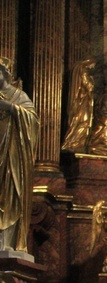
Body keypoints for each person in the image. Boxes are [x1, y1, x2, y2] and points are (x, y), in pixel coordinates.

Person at [0, 56, 40, 253]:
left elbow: (33, 121)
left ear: (6, 75)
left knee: (10, 195)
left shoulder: (19, 96)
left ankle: (6, 241)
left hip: (11, 158)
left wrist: (10, 108)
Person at [61, 58, 95, 153]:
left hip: (83, 100)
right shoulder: (83, 71)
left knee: (83, 122)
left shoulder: (81, 71)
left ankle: (77, 143)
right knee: (82, 121)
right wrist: (92, 81)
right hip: (82, 101)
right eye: (93, 64)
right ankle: (73, 143)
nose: (93, 66)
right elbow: (88, 86)